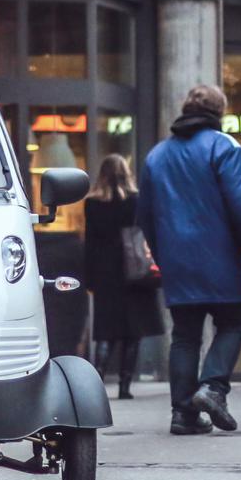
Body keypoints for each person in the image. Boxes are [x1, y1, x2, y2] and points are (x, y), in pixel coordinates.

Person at [137, 84, 241, 435]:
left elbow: (146, 218)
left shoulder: (156, 156)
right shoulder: (223, 146)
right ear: (220, 112)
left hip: (178, 262)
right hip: (220, 256)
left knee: (185, 335)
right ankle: (213, 388)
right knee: (233, 322)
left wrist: (165, 257)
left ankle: (182, 414)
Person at [83, 154, 164, 399]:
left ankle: (96, 385)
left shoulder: (92, 204)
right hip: (134, 271)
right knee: (133, 332)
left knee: (106, 332)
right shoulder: (136, 201)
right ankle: (125, 386)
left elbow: (89, 243)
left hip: (106, 274)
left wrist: (90, 278)